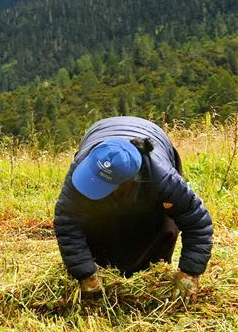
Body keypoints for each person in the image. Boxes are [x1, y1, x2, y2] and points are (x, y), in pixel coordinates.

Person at [53, 116, 213, 300]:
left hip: (153, 145)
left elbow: (197, 221)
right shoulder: (83, 170)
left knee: (162, 226)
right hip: (101, 132)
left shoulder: (163, 179)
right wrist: (85, 273)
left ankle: (151, 272)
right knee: (97, 224)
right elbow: (67, 222)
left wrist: (190, 272)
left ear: (129, 182)